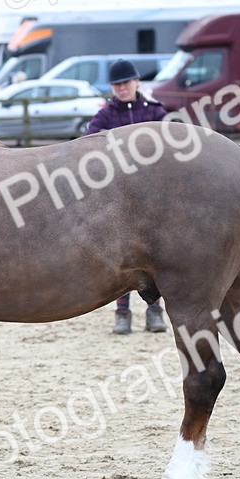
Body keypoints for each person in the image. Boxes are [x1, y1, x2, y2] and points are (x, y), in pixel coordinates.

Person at [83, 59, 168, 335]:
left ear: (137, 82)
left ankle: (155, 309)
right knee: (125, 256)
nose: (122, 88)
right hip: (120, 196)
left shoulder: (155, 112)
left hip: (153, 194)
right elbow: (86, 143)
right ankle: (122, 312)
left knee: (158, 254)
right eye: (117, 85)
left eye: (126, 83)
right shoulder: (106, 115)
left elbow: (170, 147)